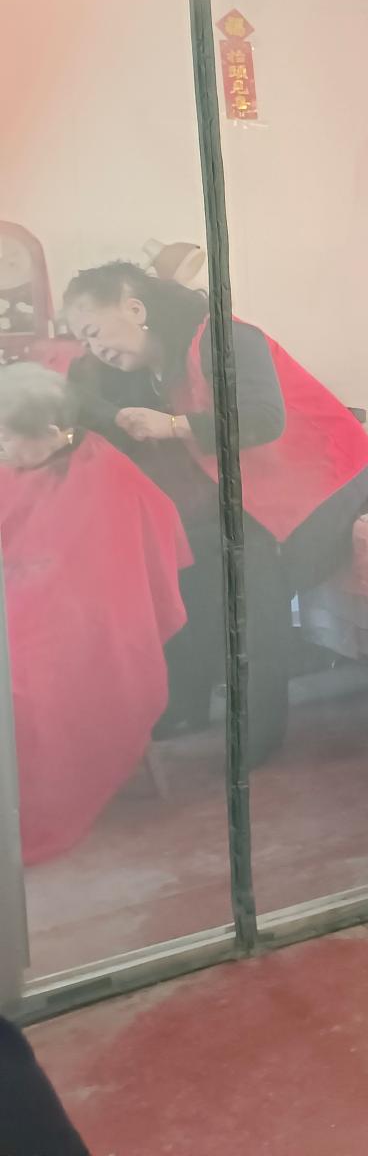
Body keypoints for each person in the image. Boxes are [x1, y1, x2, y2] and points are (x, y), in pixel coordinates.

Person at [61, 263, 368, 760]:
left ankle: (259, 733)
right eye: (83, 340)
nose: (93, 348)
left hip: (328, 474)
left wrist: (172, 425)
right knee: (190, 558)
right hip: (261, 484)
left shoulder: (224, 338)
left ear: (135, 309)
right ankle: (189, 700)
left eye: (94, 331)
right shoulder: (152, 370)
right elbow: (84, 400)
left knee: (252, 579)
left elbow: (264, 418)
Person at [0, 363, 190, 864]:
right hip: (21, 597)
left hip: (79, 621)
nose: (1, 449)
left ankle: (29, 811)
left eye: (6, 439)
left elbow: (116, 579)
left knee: (20, 690)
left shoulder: (109, 477)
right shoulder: (19, 459)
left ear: (50, 433)